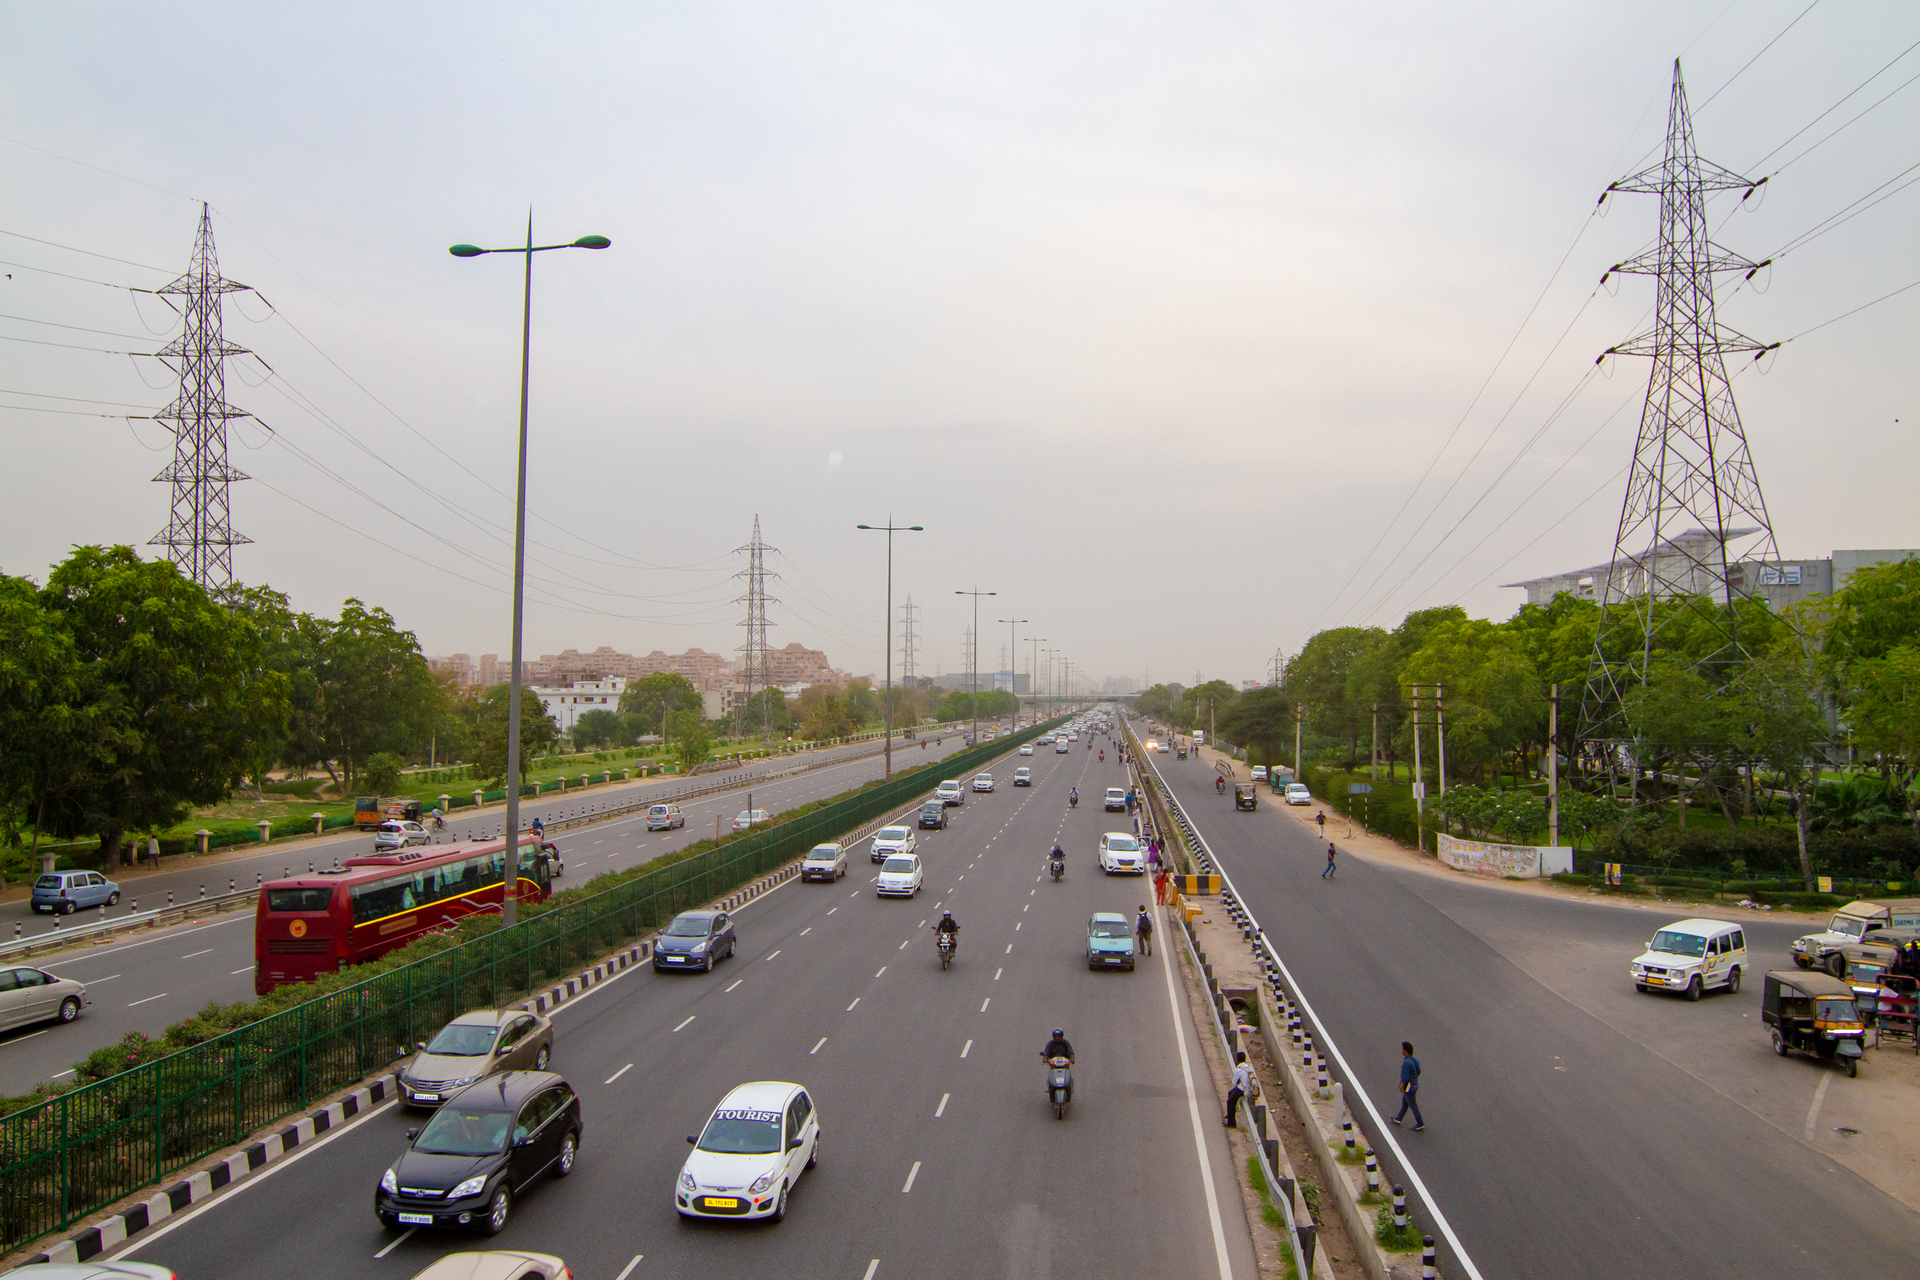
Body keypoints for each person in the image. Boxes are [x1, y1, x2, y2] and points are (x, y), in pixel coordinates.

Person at [1393, 1042, 1424, 1130]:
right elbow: (1418, 1072)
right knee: (1405, 1102)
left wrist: (1401, 1086)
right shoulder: (1415, 1060)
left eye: (1402, 1049)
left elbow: (1405, 1077)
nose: (1401, 1050)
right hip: (1414, 1084)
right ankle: (1398, 1118)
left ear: (1406, 1051)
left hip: (1409, 1086)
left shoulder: (1406, 1062)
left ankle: (1420, 1123)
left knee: (1413, 1105)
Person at [1225, 1051, 1253, 1127]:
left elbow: (1234, 1083)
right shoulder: (1248, 1067)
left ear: (1237, 1059)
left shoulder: (1239, 1070)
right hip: (1247, 1088)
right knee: (1230, 1093)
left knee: (1230, 1102)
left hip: (1241, 1089)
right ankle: (1230, 1114)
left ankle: (1232, 1123)